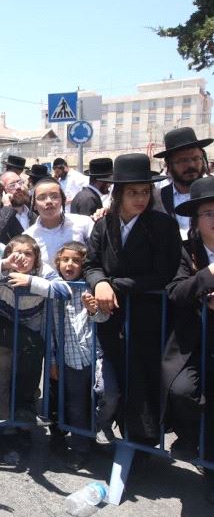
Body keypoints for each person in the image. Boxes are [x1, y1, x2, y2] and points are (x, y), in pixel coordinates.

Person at [85, 153, 182, 446]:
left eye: (144, 192)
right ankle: (121, 438)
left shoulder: (162, 225)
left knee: (144, 379)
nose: (140, 199)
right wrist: (99, 282)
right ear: (118, 194)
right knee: (117, 377)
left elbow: (164, 272)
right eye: (132, 193)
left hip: (149, 318)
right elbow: (91, 263)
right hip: (111, 317)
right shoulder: (104, 224)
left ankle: (141, 444)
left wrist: (114, 285)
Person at [0, 234, 71, 465]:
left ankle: (22, 423)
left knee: (27, 368)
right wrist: (5, 265)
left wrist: (31, 283)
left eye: (28, 253)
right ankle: (7, 432)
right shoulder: (3, 268)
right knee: (0, 384)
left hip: (30, 337)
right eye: (17, 253)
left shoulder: (44, 272)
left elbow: (65, 292)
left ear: (36, 257)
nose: (22, 257)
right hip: (1, 332)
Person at [162, 175, 214, 500]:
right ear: (196, 219)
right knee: (181, 392)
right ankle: (191, 439)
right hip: (193, 343)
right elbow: (175, 291)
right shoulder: (184, 251)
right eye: (209, 213)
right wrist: (208, 277)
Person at [50, 241, 112, 471]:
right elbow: (50, 332)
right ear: (58, 263)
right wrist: (53, 362)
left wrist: (93, 309)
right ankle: (79, 448)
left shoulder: (90, 287)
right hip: (69, 359)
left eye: (76, 260)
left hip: (95, 355)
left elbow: (104, 319)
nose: (70, 264)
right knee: (76, 406)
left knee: (104, 393)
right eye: (65, 260)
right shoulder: (53, 289)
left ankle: (98, 430)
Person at [24, 178, 94, 268]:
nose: (49, 201)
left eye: (54, 196)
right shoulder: (28, 237)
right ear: (34, 205)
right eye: (42, 198)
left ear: (63, 200)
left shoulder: (84, 223)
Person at [155, 127, 211, 239]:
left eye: (196, 159)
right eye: (183, 160)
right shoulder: (157, 198)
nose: (191, 165)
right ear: (169, 165)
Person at [0, 171, 36, 244]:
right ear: (3, 191)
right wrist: (7, 207)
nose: (18, 187)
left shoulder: (33, 216)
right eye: (12, 185)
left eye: (20, 182)